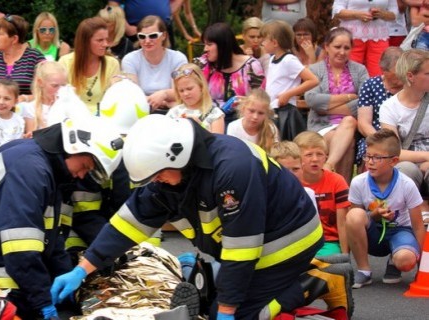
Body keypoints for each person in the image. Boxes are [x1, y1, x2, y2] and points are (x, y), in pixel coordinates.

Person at [51, 115, 352, 319]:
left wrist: (228, 310)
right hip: (249, 249)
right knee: (212, 308)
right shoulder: (169, 175)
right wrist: (82, 269)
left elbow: (242, 251)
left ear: (177, 158)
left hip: (286, 244)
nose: (155, 182)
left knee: (242, 315)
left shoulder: (232, 168)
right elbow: (126, 224)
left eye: (158, 176)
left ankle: (320, 280)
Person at [0, 115, 123, 319]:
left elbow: (53, 241)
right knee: (22, 308)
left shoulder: (47, 167)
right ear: (73, 147)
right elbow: (21, 250)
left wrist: (65, 284)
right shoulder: (30, 169)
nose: (82, 175)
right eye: (84, 166)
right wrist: (42, 303)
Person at [346, 129, 425, 288]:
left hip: (400, 231)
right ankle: (364, 270)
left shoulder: (406, 184)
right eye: (367, 156)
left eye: (377, 157)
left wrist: (423, 269)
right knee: (354, 215)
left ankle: (395, 260)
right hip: (373, 235)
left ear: (394, 161)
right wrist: (374, 215)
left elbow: (418, 226)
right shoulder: (358, 182)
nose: (370, 161)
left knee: (405, 260)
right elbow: (353, 220)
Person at [305, 27, 369, 183]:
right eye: (337, 47)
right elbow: (311, 99)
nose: (342, 52)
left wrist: (325, 107)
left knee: (348, 124)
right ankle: (343, 191)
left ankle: (329, 167)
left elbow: (365, 100)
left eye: (346, 48)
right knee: (346, 140)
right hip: (321, 127)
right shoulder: (315, 69)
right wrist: (348, 97)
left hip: (351, 127)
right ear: (327, 47)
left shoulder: (360, 70)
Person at [379, 49, 429, 195]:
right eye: (427, 74)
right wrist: (426, 157)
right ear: (410, 76)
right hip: (408, 161)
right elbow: (394, 152)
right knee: (405, 170)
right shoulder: (389, 107)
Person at [195, 23, 265, 126]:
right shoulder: (203, 64)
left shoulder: (251, 66)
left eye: (209, 45)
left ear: (223, 45)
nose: (205, 49)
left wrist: (247, 101)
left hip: (242, 122)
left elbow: (261, 99)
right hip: (208, 121)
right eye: (204, 44)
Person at [294, 131, 351, 257]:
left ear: (326, 157)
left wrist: (345, 256)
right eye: (309, 155)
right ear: (298, 158)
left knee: (328, 265)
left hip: (329, 241)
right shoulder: (292, 182)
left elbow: (342, 223)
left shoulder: (337, 181)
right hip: (300, 241)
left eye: (319, 154)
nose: (315, 159)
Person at [121, 15, 187, 111]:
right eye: (142, 37)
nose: (147, 41)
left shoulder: (178, 58)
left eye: (153, 36)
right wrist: (162, 100)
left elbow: (181, 92)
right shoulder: (130, 60)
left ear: (163, 36)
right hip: (141, 110)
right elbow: (133, 93)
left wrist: (163, 94)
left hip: (172, 111)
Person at [59, 17, 120, 112]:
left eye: (106, 39)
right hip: (72, 118)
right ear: (85, 42)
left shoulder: (112, 63)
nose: (105, 44)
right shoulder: (65, 62)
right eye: (100, 40)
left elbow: (115, 101)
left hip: (103, 119)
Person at [356, 47, 403, 169]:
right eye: (397, 73)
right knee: (370, 151)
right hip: (376, 135)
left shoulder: (411, 86)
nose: (401, 76)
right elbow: (363, 123)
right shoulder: (371, 85)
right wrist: (383, 142)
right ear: (384, 70)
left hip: (406, 136)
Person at [0, 14, 44, 100]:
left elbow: (45, 92)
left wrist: (25, 98)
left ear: (14, 39)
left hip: (24, 112)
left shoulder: (34, 57)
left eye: (0, 34)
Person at [261, 20, 319, 110]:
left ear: (275, 43)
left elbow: (313, 80)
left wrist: (288, 94)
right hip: (272, 108)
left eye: (265, 40)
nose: (262, 43)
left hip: (285, 109)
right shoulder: (272, 59)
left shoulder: (289, 60)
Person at [332, 0, 399, 76]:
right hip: (351, 39)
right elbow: (337, 10)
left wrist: (381, 14)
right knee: (349, 75)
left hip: (379, 37)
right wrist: (357, 14)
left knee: (379, 75)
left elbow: (394, 14)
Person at [165, 64, 224, 133]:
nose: (185, 93)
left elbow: (218, 141)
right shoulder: (174, 112)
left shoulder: (215, 113)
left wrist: (200, 126)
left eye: (189, 89)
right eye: (181, 91)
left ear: (201, 87)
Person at [21, 60, 68, 132]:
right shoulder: (31, 108)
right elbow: (32, 137)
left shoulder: (68, 106)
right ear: (40, 82)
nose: (59, 90)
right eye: (54, 86)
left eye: (63, 85)